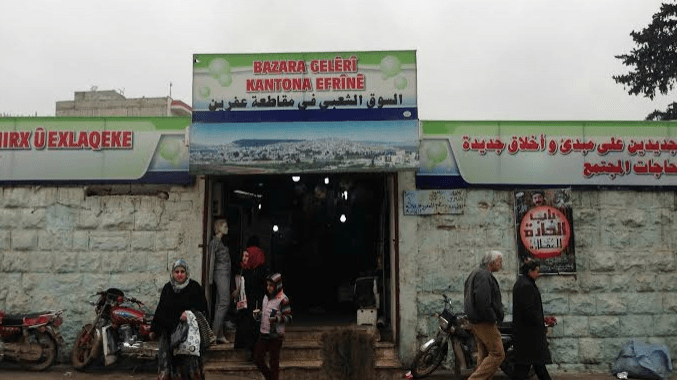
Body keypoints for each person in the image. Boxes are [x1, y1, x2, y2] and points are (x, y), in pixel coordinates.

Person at [151, 259, 209, 380]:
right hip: (170, 333)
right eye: (176, 271)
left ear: (187, 273)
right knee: (172, 366)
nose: (179, 274)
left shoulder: (194, 287)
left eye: (182, 271)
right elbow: (161, 310)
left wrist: (189, 314)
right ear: (173, 273)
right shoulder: (168, 288)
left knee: (189, 366)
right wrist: (155, 329)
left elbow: (203, 309)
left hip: (189, 334)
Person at [463, 250, 505, 380]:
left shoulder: (476, 273)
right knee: (498, 353)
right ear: (492, 262)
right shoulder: (483, 276)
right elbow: (482, 301)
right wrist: (492, 317)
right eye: (500, 261)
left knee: (485, 353)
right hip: (484, 321)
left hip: (477, 320)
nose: (501, 264)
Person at [512, 259, 552, 380]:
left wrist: (542, 318)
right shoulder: (526, 286)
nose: (538, 274)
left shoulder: (522, 283)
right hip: (530, 334)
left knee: (530, 366)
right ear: (530, 271)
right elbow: (529, 310)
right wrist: (540, 322)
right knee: (531, 365)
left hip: (526, 334)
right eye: (537, 271)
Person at [233, 235, 270, 360]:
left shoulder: (257, 271)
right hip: (248, 303)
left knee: (254, 327)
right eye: (244, 256)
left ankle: (256, 352)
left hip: (255, 303)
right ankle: (252, 351)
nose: (244, 258)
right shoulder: (247, 270)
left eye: (247, 256)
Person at [253, 273, 292, 380]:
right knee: (257, 358)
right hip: (264, 332)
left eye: (271, 285)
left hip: (276, 335)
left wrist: (277, 319)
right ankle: (271, 378)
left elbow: (289, 318)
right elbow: (266, 312)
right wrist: (259, 315)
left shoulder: (283, 299)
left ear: (277, 286)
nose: (268, 288)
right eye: (267, 285)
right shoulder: (266, 297)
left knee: (274, 361)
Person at [207, 218, 232, 343]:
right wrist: (210, 279)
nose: (227, 228)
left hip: (225, 274)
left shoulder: (221, 242)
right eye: (225, 226)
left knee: (219, 304)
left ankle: (220, 334)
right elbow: (211, 260)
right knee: (224, 302)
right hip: (220, 274)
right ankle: (214, 333)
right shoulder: (214, 243)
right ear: (219, 227)